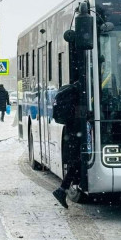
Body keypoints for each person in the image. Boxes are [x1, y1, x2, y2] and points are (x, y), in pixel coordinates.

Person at [52, 81, 81, 209]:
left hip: (72, 130)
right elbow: (79, 111)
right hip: (76, 131)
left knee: (77, 161)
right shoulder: (80, 90)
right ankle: (62, 189)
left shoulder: (75, 88)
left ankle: (63, 189)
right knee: (78, 161)